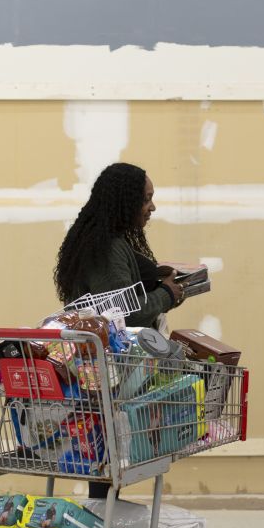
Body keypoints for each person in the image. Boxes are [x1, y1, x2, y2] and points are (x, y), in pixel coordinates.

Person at [54, 162, 183, 499]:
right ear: (126, 202)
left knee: (105, 453)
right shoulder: (108, 248)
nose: (152, 207)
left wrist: (156, 278)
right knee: (108, 454)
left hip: (97, 370)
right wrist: (166, 295)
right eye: (146, 199)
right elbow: (124, 312)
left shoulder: (101, 240)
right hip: (107, 371)